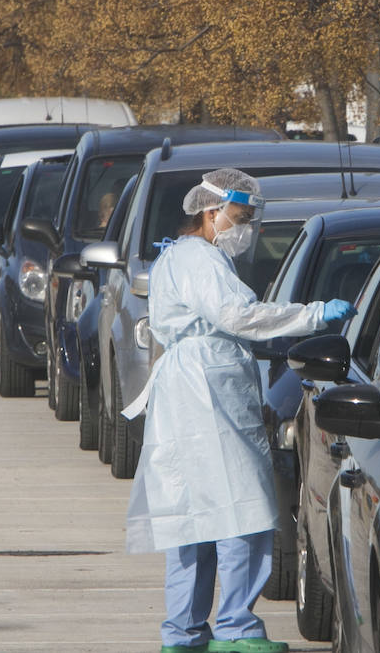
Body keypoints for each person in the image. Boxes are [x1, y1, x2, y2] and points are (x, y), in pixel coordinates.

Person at [123, 168, 354, 653]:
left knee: (195, 519)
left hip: (188, 391)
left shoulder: (177, 258)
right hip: (207, 395)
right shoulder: (201, 261)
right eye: (241, 218)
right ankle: (235, 627)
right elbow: (238, 316)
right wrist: (311, 314)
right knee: (241, 510)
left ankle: (183, 633)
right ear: (211, 213)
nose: (248, 230)